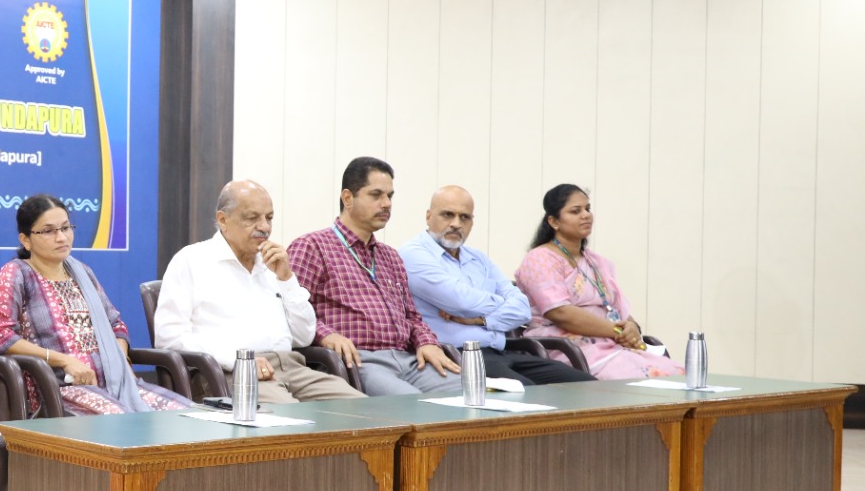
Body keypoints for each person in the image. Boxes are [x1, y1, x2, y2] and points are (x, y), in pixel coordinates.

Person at [155, 180, 362, 403]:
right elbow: (170, 337)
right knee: (293, 417)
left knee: (363, 410)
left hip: (293, 368)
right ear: (223, 220)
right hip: (228, 373)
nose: (264, 227)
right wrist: (237, 359)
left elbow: (304, 336)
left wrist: (286, 279)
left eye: (269, 218)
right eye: (252, 218)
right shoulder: (192, 260)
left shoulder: (272, 264)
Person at [0, 194, 192, 415]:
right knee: (124, 422)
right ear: (26, 240)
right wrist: (64, 360)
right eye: (48, 231)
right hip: (57, 392)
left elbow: (116, 326)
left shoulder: (82, 272)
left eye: (66, 228)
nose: (61, 237)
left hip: (117, 385)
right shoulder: (16, 274)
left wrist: (121, 362)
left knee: (191, 416)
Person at [288, 157, 460, 396]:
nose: (386, 204)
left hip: (409, 359)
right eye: (376, 195)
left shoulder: (390, 256)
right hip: (359, 361)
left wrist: (426, 341)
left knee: (472, 393)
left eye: (390, 196)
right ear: (348, 198)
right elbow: (291, 312)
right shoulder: (312, 247)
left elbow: (411, 317)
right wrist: (325, 335)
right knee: (414, 405)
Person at [399, 185, 594, 387]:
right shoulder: (414, 254)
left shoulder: (478, 258)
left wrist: (481, 320)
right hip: (456, 355)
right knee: (526, 393)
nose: (456, 224)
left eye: (465, 217)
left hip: (501, 350)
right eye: (448, 215)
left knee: (586, 387)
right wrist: (502, 303)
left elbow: (522, 309)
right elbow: (461, 301)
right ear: (429, 216)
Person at [515, 184, 684, 380]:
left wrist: (632, 328)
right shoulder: (540, 259)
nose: (586, 215)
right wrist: (617, 331)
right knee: (647, 378)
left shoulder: (595, 262)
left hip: (611, 343)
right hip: (567, 349)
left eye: (587, 209)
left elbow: (615, 307)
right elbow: (561, 313)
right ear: (554, 221)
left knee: (680, 375)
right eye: (575, 211)